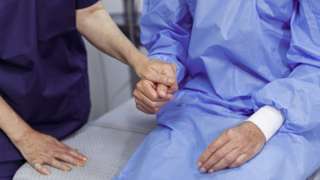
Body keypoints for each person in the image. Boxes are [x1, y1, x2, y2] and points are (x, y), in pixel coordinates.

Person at [116, 0, 320, 179]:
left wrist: (262, 125)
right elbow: (170, 32)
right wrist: (162, 77)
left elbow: (315, 62)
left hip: (289, 114)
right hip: (200, 103)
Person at [0, 1, 176, 179]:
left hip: (64, 107)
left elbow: (88, 13)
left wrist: (140, 62)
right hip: (7, 124)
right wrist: (25, 137)